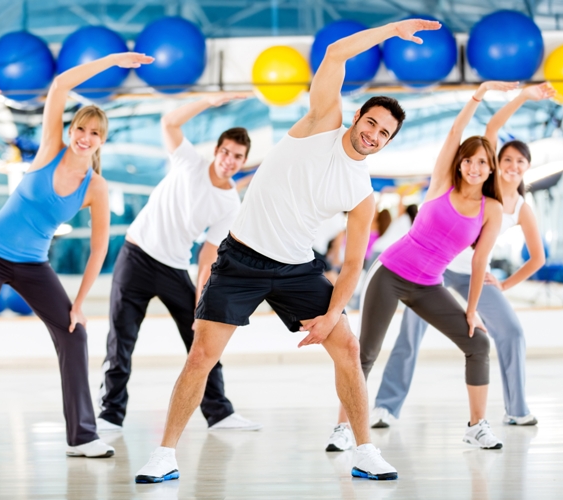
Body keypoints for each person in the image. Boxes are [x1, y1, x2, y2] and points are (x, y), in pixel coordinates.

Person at [135, 18, 442, 484]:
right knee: (201, 355)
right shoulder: (321, 123)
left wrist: (333, 312)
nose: (374, 134)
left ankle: (364, 450)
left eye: (384, 133)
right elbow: (336, 53)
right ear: (358, 117)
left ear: (387, 142)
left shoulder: (362, 193)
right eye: (372, 122)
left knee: (348, 346)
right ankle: (164, 454)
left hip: (298, 269)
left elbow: (355, 263)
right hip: (241, 260)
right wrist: (392, 30)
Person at [0, 52, 153, 462]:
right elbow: (59, 86)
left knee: (74, 334)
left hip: (33, 264)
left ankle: (82, 436)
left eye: (94, 132)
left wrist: (78, 304)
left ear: (101, 141)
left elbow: (98, 250)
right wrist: (113, 61)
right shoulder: (49, 150)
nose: (85, 136)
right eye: (80, 128)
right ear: (71, 129)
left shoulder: (95, 187)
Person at [330, 80, 518, 453]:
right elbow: (455, 131)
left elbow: (480, 261)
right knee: (365, 352)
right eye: (469, 160)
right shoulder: (442, 183)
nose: (474, 167)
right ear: (460, 163)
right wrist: (478, 94)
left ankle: (477, 425)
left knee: (477, 342)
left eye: (483, 162)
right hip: (390, 274)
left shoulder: (491, 209)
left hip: (429, 285)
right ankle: (342, 427)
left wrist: (470, 311)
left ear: (490, 167)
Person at [369, 83, 554, 429]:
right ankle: (386, 407)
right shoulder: (483, 179)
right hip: (432, 272)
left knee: (511, 332)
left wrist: (504, 285)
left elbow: (537, 258)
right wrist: (523, 97)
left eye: (520, 161)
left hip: (474, 276)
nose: (512, 165)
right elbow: (492, 128)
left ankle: (516, 410)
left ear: (528, 167)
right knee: (409, 337)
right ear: (495, 163)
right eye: (507, 159)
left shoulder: (516, 207)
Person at [97, 94, 261, 432]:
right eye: (226, 152)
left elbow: (207, 257)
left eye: (237, 157)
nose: (229, 160)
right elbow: (169, 122)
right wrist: (209, 101)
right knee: (121, 339)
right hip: (136, 255)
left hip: (173, 268)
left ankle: (220, 414)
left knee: (203, 337)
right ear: (216, 151)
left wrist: (203, 306)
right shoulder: (189, 162)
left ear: (243, 162)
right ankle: (110, 415)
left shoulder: (230, 203)